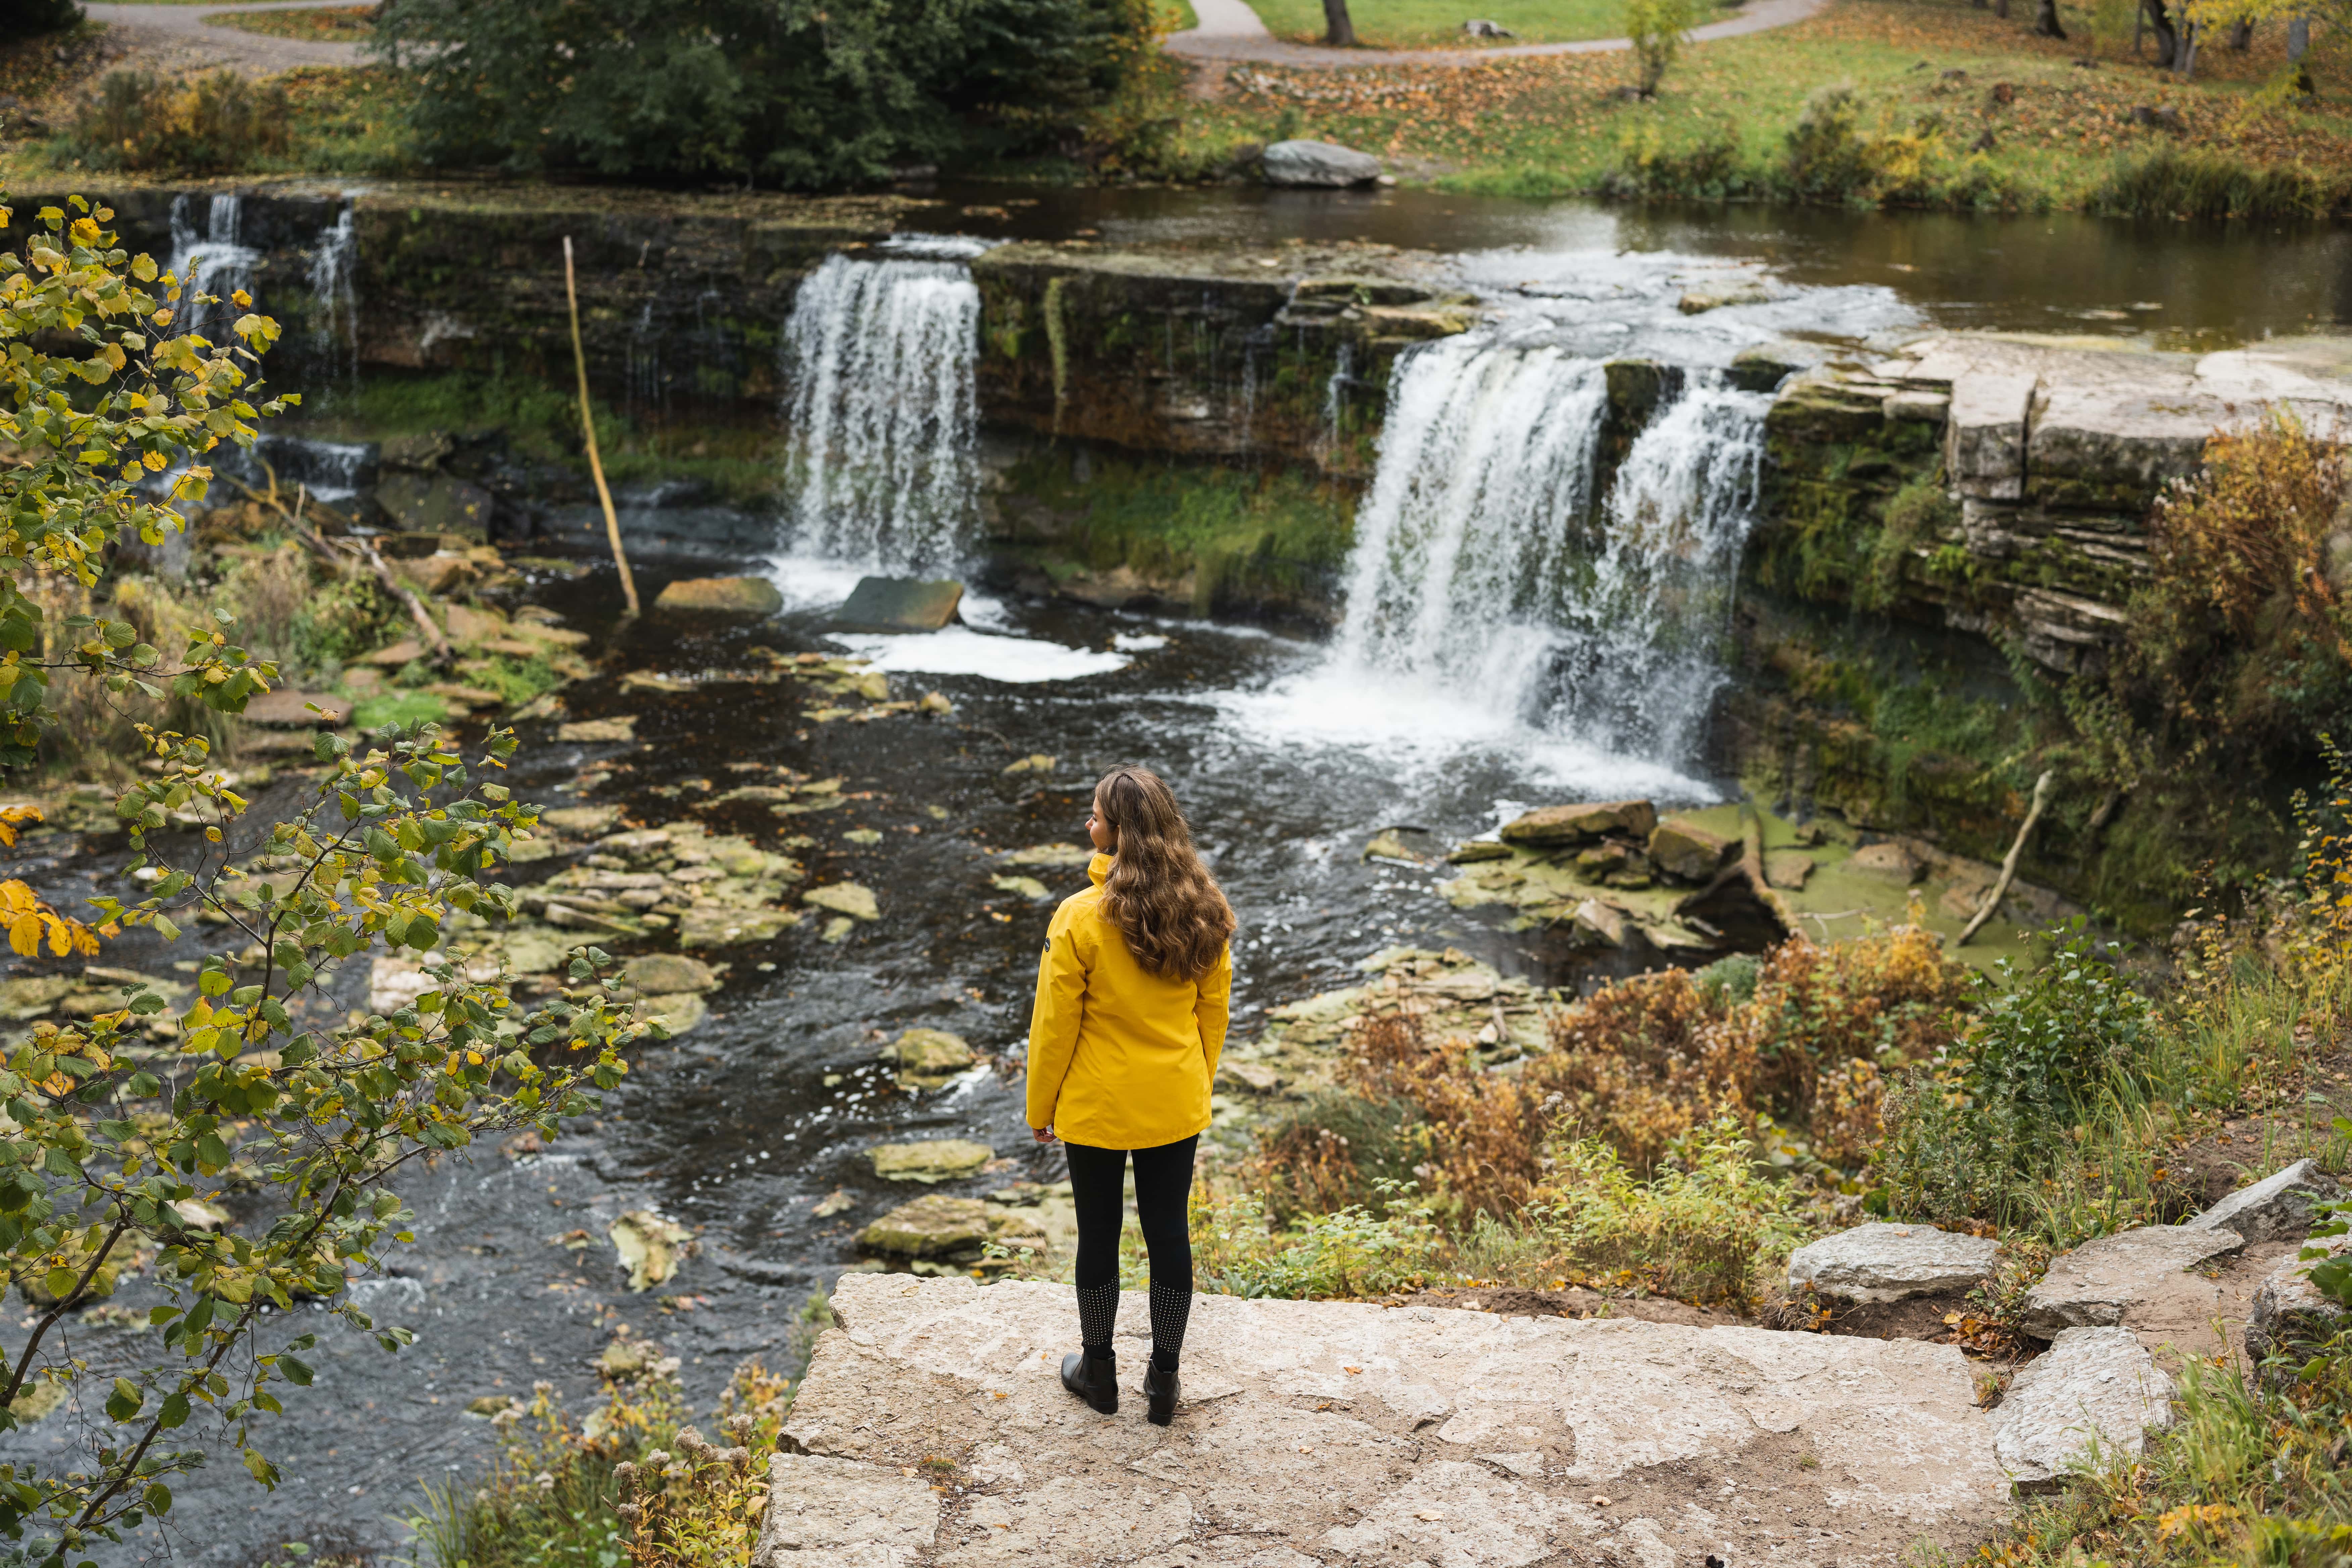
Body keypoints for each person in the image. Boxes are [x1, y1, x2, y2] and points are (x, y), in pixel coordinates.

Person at [1026, 765, 1235, 1426]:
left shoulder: (1081, 917)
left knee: (1099, 1232)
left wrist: (1041, 1107)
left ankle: (1100, 1370)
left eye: (1095, 816)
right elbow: (1213, 1012)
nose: (1088, 824)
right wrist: (1197, 1082)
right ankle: (1165, 1379)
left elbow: (1054, 1026)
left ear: (1116, 835)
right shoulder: (1205, 908)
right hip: (1174, 1098)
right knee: (1169, 1231)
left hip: (1096, 1104)